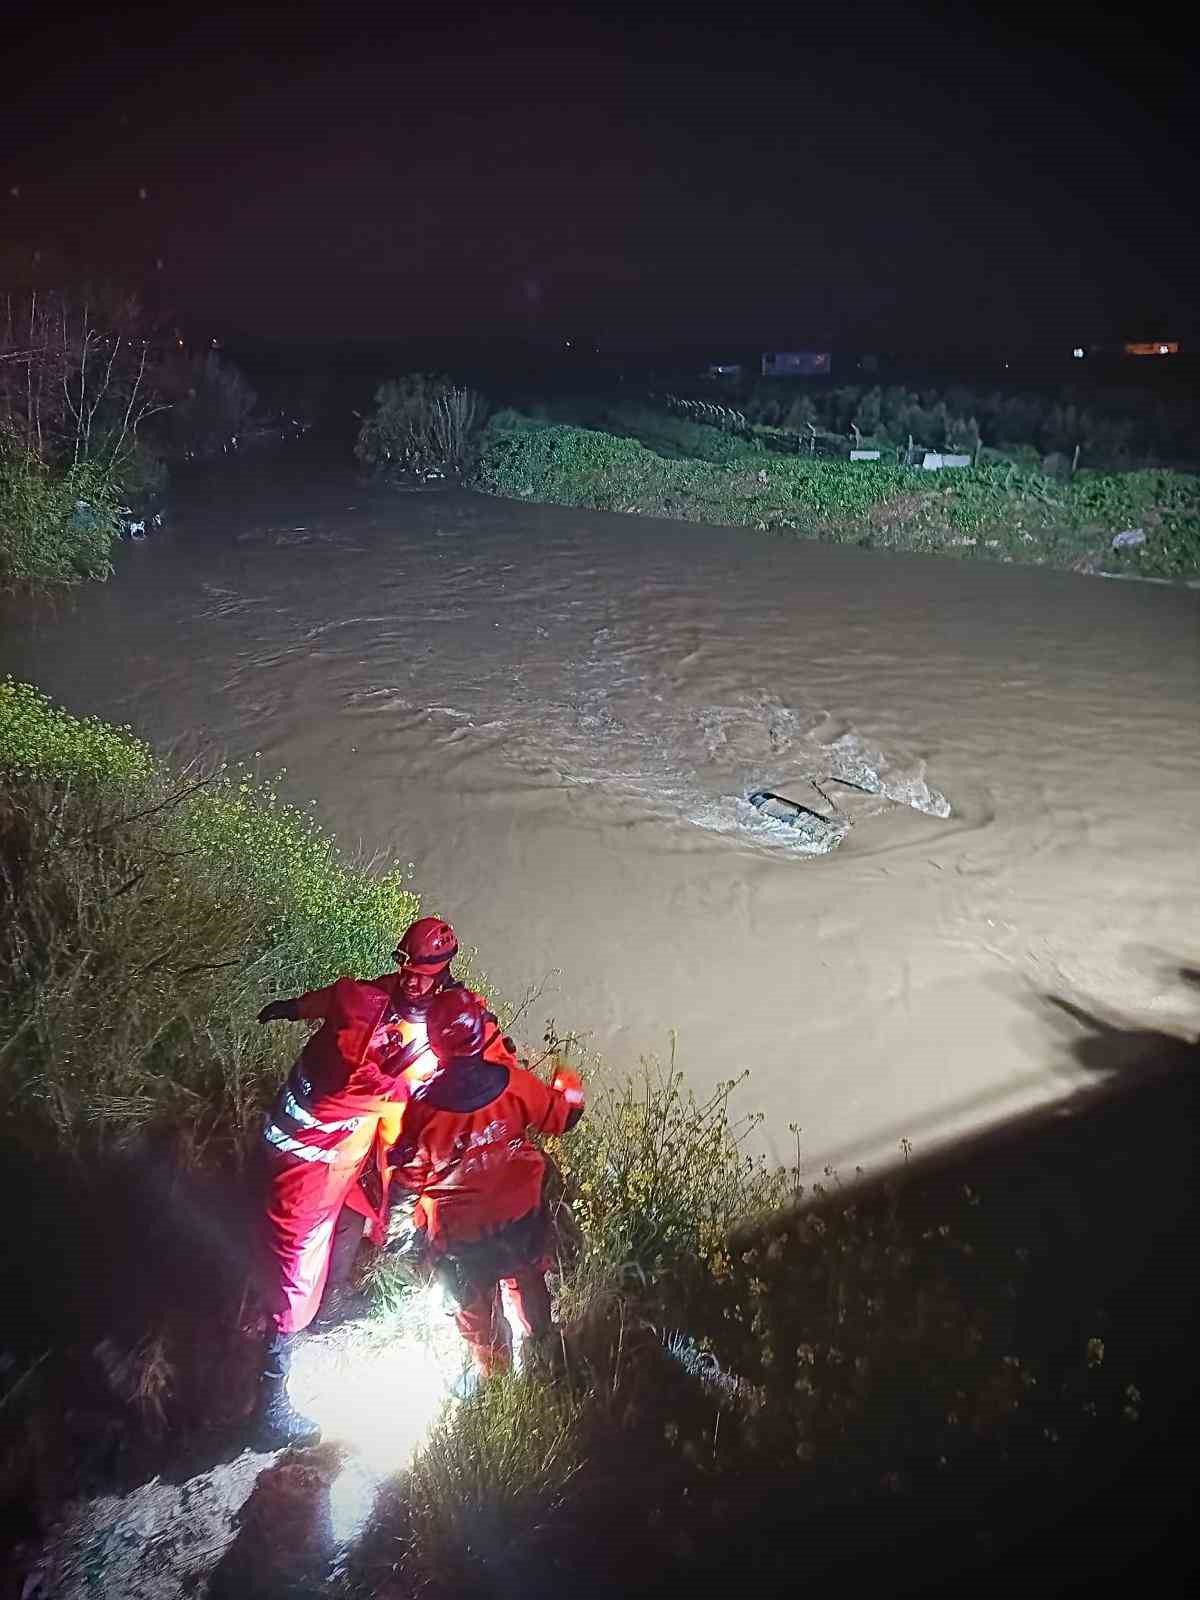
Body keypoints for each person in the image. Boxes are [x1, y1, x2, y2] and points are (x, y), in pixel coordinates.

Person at [252, 916, 505, 1446]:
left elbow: (335, 999)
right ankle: (269, 1409)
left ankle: (333, 1299)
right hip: (308, 1169)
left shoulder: (359, 1000)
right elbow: (410, 1104)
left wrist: (292, 1007)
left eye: (420, 972)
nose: (410, 981)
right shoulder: (370, 1077)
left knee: (352, 1216)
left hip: (338, 1153)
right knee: (294, 1276)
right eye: (406, 970)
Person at [387, 987, 585, 1381]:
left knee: (478, 1316)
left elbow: (407, 1179)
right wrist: (567, 1073)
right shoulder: (514, 1084)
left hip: (460, 1239)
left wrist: (402, 1235)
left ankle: (496, 1378)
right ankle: (544, 1354)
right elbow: (564, 1116)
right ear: (481, 1033)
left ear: (435, 1043)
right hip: (521, 1221)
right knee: (528, 1285)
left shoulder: (422, 1107)